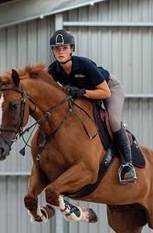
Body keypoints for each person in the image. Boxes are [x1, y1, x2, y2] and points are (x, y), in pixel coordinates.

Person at [47, 29, 137, 184]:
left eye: (64, 48)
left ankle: (127, 164)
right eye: (57, 48)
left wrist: (82, 92)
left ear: (72, 49)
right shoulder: (53, 70)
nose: (60, 52)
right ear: (53, 51)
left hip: (109, 88)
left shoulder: (84, 65)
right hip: (85, 94)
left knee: (114, 120)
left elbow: (105, 92)